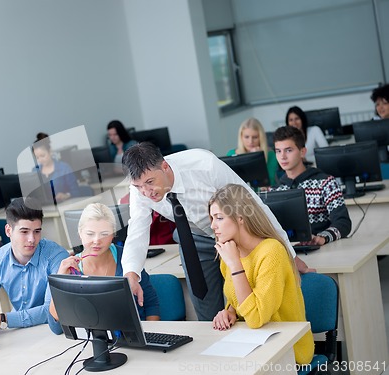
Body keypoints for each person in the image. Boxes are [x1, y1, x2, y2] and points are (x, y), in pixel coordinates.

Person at [121, 142, 313, 322]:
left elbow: (253, 203)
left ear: (164, 166)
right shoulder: (140, 187)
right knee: (208, 313)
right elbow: (137, 229)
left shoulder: (204, 164)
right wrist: (131, 274)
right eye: (139, 187)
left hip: (233, 235)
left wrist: (289, 252)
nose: (146, 192)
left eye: (150, 182)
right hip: (193, 239)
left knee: (250, 303)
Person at [209, 184, 314, 365]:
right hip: (252, 341)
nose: (212, 225)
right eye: (211, 218)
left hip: (288, 349)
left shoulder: (271, 252)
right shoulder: (229, 251)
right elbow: (238, 298)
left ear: (240, 217)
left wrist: (235, 265)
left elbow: (256, 318)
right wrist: (230, 311)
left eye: (219, 218)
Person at [48, 203, 160, 334]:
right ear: (80, 234)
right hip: (92, 343)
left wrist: (150, 335)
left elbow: (151, 304)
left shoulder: (127, 258)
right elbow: (56, 328)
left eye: (104, 234)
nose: (96, 240)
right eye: (90, 234)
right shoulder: (70, 269)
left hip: (134, 338)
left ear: (113, 234)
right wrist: (60, 279)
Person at [0, 197, 68, 335]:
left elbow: (50, 311)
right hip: (17, 332)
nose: (32, 239)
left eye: (37, 231)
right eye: (24, 232)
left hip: (51, 332)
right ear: (8, 231)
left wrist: (2, 319)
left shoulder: (56, 256)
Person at [273, 126, 351, 245]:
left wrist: (322, 238)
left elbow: (343, 223)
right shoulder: (275, 190)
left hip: (324, 249)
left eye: (288, 150)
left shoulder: (326, 183)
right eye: (278, 151)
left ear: (302, 151)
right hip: (290, 254)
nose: (282, 156)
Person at [226, 118, 278, 185]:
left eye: (255, 137)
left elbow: (269, 182)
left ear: (260, 138)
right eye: (247, 137)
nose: (250, 141)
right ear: (241, 137)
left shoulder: (270, 154)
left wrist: (258, 160)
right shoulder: (231, 154)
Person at [32, 133, 80, 202]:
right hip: (46, 209)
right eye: (37, 157)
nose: (40, 160)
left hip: (64, 206)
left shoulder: (64, 168)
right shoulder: (35, 171)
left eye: (42, 156)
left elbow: (76, 192)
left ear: (50, 151)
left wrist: (66, 195)